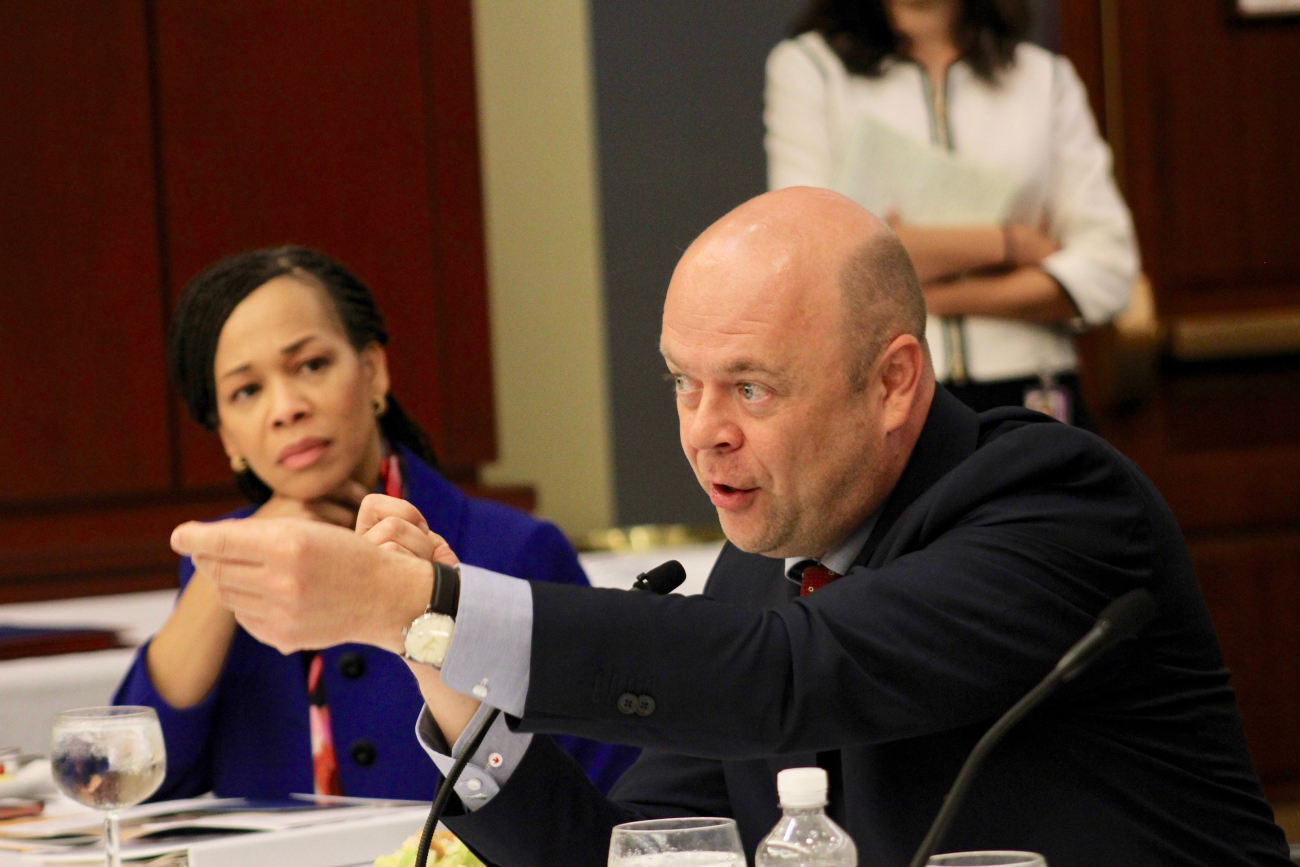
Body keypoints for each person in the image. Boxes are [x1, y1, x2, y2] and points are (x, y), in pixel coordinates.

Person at [171, 192, 1289, 866]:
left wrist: (424, 606)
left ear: (894, 381)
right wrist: (446, 672)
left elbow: (796, 676)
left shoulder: (1051, 504)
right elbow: (627, 858)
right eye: (681, 385)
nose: (703, 435)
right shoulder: (757, 576)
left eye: (750, 389)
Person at [113, 246, 639, 800]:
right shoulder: (216, 572)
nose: (286, 407)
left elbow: (603, 788)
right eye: (246, 391)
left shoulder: (517, 549)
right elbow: (128, 780)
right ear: (227, 438)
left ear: (373, 372)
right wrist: (226, 567)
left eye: (311, 365)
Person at [765, 0, 1139, 426]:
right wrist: (1011, 244)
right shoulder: (811, 67)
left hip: (1033, 395)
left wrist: (931, 291)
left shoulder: (1044, 77)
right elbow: (817, 252)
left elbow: (1110, 270)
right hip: (888, 396)